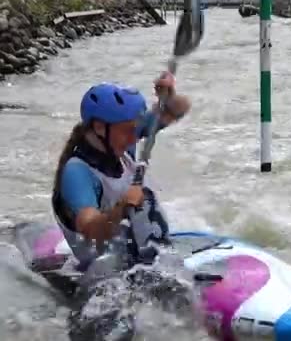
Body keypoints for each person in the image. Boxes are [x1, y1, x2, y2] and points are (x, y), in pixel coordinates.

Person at [51, 73, 191, 273]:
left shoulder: (118, 141)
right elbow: (91, 230)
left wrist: (168, 99)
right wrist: (122, 207)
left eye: (136, 130)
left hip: (142, 257)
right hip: (104, 276)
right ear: (99, 127)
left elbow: (178, 109)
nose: (135, 138)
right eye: (128, 131)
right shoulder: (76, 172)